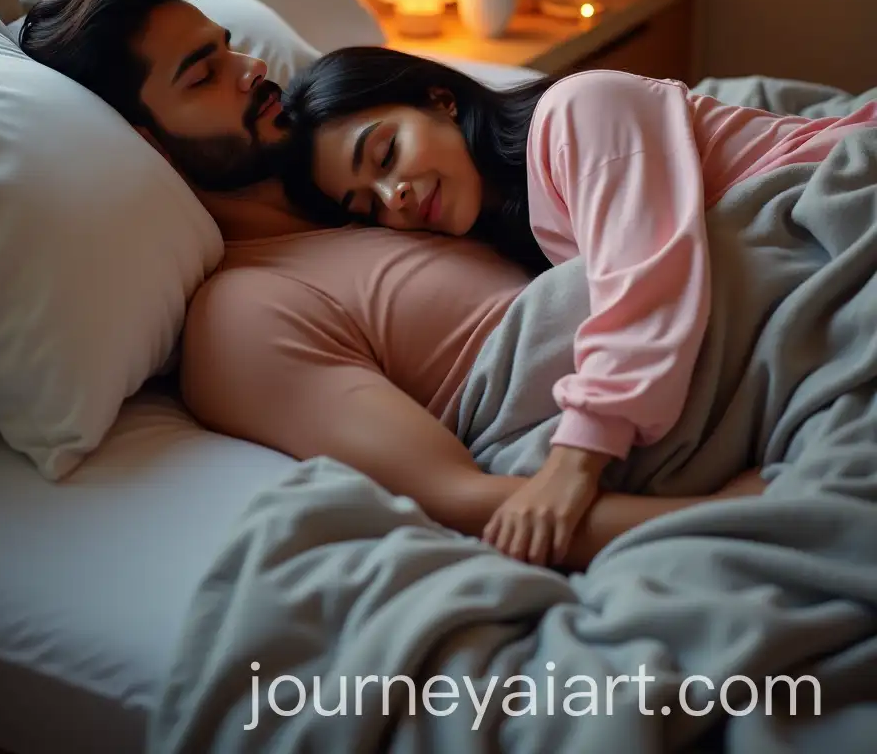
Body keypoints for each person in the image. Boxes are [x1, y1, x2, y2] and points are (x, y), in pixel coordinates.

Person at [19, 0, 764, 569]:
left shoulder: (359, 169)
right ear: (150, 145)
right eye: (203, 75)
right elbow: (465, 499)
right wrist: (726, 517)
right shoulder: (241, 314)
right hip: (682, 419)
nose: (250, 69)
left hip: (715, 310)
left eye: (226, 47)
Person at [281, 44, 877, 562]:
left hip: (834, 197)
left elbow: (645, 278)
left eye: (385, 155)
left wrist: (573, 464)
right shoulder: (514, 226)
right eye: (370, 207)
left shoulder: (575, 109)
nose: (396, 196)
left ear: (441, 99)